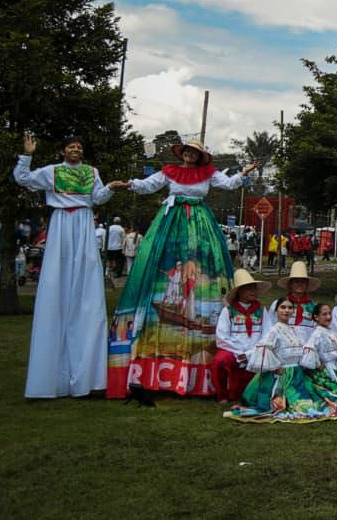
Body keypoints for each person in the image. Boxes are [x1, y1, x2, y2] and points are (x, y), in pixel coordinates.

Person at [108, 139, 258, 398]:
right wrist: (129, 183)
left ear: (200, 156)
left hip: (200, 224)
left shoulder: (209, 174)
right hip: (171, 223)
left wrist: (243, 174)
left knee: (203, 269)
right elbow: (149, 185)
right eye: (187, 151)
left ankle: (206, 338)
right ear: (183, 154)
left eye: (194, 152)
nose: (189, 155)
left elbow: (229, 184)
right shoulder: (169, 171)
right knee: (163, 268)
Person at [13, 132, 124, 398]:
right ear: (63, 151)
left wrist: (110, 187)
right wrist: (27, 155)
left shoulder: (91, 171)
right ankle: (52, 378)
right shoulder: (52, 172)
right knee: (55, 283)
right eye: (71, 146)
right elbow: (23, 179)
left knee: (88, 288)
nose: (75, 149)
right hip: (62, 223)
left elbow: (97, 198)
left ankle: (89, 378)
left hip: (84, 224)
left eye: (78, 146)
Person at [224, 297, 337, 423]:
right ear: (276, 311)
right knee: (301, 406)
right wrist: (275, 366)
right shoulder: (274, 331)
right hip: (282, 375)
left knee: (316, 398)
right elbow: (264, 349)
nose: (286, 310)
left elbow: (304, 350)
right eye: (283, 307)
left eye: (290, 308)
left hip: (297, 372)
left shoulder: (295, 330)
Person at [212, 269, 272, 404]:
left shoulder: (262, 310)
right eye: (248, 288)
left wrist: (250, 353)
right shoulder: (228, 311)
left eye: (254, 288)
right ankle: (222, 395)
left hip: (255, 350)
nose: (253, 291)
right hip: (233, 350)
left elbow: (268, 335)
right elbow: (222, 337)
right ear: (239, 291)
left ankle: (261, 392)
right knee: (220, 361)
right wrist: (239, 352)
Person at [273, 260, 320, 344]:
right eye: (296, 281)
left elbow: (317, 331)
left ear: (307, 284)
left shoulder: (314, 306)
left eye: (303, 282)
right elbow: (272, 327)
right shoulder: (279, 304)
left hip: (306, 350)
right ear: (290, 284)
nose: (300, 284)